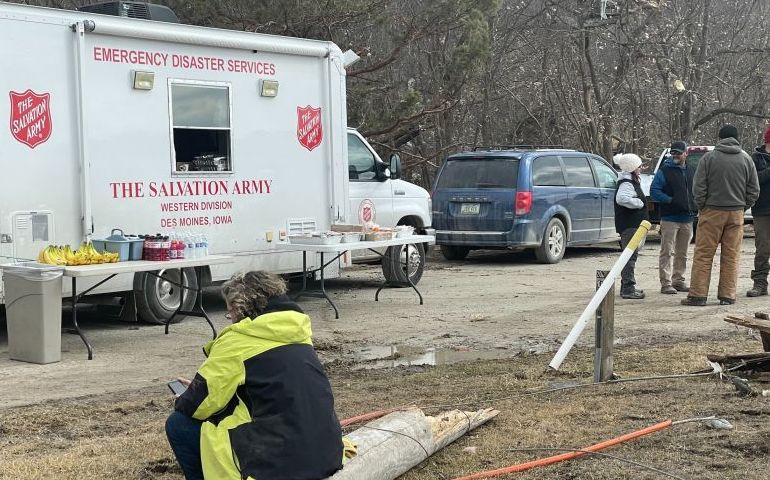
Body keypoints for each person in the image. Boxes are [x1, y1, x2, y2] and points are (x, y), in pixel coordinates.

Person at [165, 271, 344, 480]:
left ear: (238, 308)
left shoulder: (238, 339)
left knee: (178, 424)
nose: (229, 319)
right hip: (326, 454)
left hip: (277, 466)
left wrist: (191, 394)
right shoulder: (298, 333)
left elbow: (197, 405)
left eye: (228, 312)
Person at [682, 124, 759, 306]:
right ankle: (727, 295)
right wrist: (742, 206)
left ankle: (698, 295)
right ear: (736, 138)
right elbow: (754, 190)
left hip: (712, 211)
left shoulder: (709, 158)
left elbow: (698, 186)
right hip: (736, 213)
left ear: (720, 138)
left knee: (704, 254)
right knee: (731, 255)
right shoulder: (746, 159)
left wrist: (702, 206)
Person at [650, 141, 697, 294]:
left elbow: (697, 190)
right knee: (667, 251)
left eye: (678, 152)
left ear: (686, 153)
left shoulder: (691, 170)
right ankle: (666, 283)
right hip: (669, 217)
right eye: (673, 153)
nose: (675, 155)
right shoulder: (664, 171)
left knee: (682, 253)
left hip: (688, 218)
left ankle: (679, 280)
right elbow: (654, 191)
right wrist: (670, 200)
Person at [614, 153, 649, 299]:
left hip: (633, 225)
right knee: (629, 257)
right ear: (632, 168)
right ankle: (628, 288)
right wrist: (638, 203)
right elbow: (621, 199)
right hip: (630, 225)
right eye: (639, 166)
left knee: (630, 256)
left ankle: (628, 285)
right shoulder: (627, 183)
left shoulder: (630, 181)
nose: (641, 168)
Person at [747, 125, 770, 297]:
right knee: (763, 248)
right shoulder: (756, 158)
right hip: (762, 210)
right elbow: (754, 180)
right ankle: (760, 283)